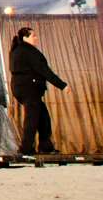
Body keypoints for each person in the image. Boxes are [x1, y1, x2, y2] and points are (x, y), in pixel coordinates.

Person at [8, 26, 68, 155]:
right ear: (25, 38)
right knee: (32, 119)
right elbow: (44, 70)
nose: (36, 38)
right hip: (29, 88)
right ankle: (26, 148)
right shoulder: (28, 51)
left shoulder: (18, 50)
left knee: (43, 117)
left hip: (23, 87)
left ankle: (45, 146)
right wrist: (62, 85)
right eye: (33, 36)